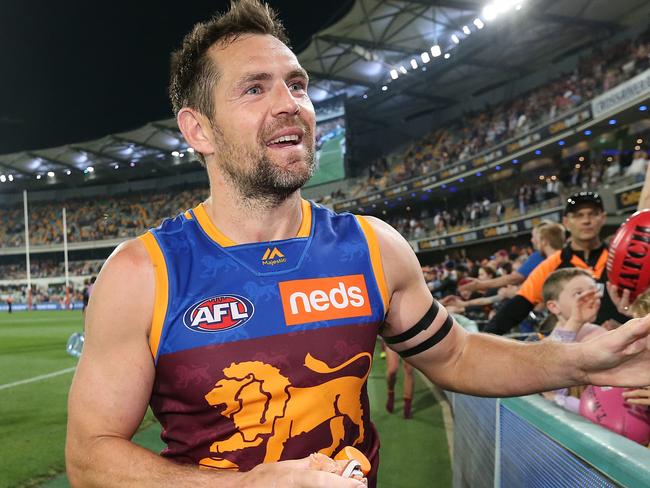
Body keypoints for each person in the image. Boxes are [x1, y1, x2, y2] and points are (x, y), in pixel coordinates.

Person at [66, 2, 650, 487]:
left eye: (297, 84)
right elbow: (90, 455)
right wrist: (241, 484)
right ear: (198, 129)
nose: (289, 102)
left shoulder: (373, 247)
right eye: (254, 89)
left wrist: (580, 359)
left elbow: (457, 356)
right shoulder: (145, 272)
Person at [484, 192, 628, 335]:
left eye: (592, 214)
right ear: (566, 222)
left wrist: (628, 324)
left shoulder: (622, 258)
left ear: (603, 218)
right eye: (578, 215)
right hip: (575, 352)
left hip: (624, 347)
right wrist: (483, 341)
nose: (586, 220)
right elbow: (518, 306)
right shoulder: (552, 264)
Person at [459, 221, 565, 295]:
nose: (532, 240)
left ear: (543, 239)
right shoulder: (565, 254)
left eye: (534, 237)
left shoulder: (539, 257)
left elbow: (514, 278)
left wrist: (480, 284)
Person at [384, 345, 414, 419]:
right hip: (391, 337)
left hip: (409, 339)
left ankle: (407, 405)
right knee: (392, 370)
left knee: (409, 370)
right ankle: (391, 393)